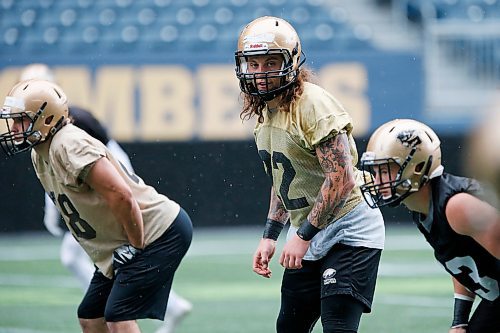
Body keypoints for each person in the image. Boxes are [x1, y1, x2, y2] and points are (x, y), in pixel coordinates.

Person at [0, 78, 193, 333]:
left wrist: (135, 245)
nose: (14, 128)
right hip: (126, 241)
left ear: (46, 119)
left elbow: (122, 195)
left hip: (157, 233)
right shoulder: (40, 152)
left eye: (21, 120)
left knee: (118, 315)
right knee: (91, 316)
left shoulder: (68, 143)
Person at [234, 16, 385, 333]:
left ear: (290, 62)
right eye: (254, 64)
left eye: (271, 62)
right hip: (310, 230)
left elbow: (341, 179)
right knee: (289, 327)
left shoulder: (311, 104)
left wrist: (303, 236)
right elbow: (284, 180)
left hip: (349, 228)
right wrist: (270, 235)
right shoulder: (265, 112)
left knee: (338, 326)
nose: (261, 73)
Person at [358, 118, 499, 333]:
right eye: (376, 172)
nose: (377, 181)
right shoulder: (422, 208)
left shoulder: (457, 206)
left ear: (417, 168)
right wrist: (459, 320)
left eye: (385, 170)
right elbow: (461, 259)